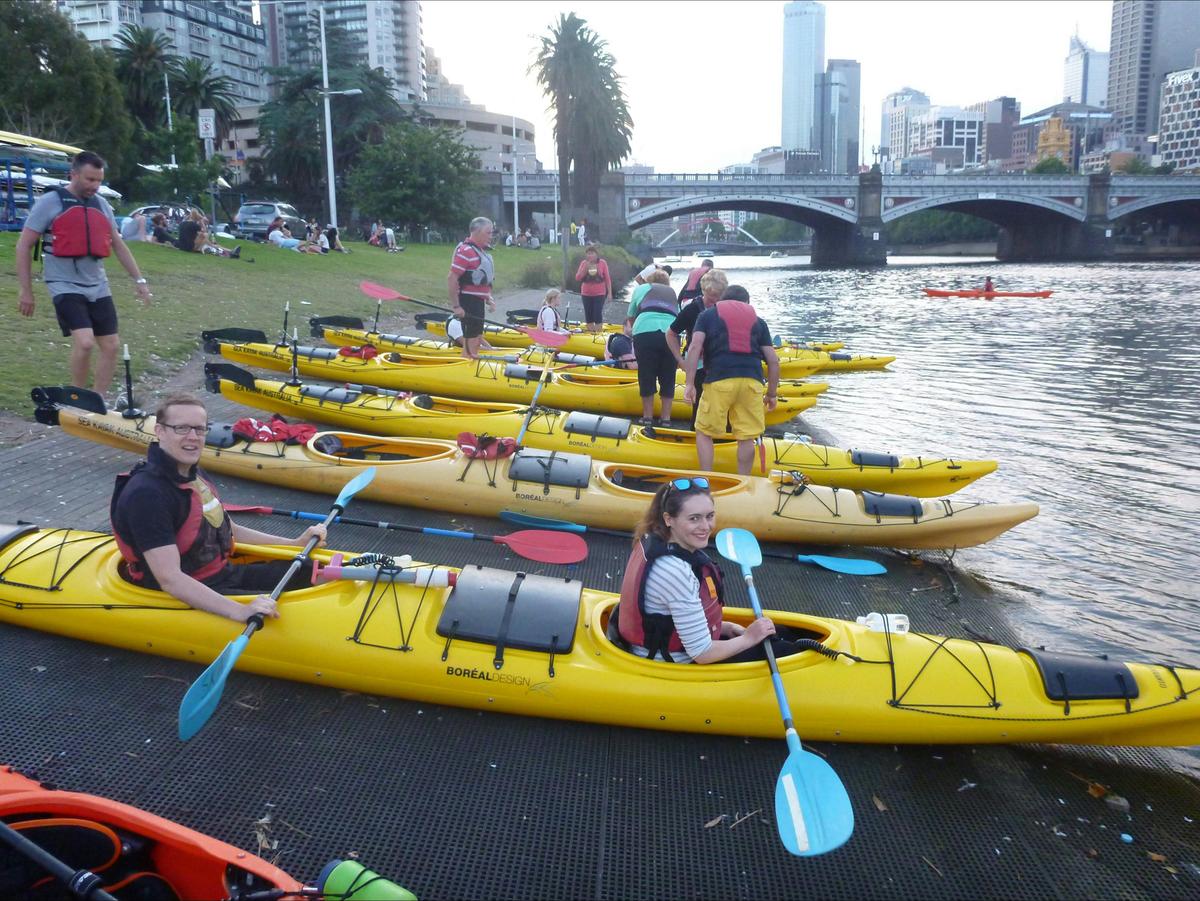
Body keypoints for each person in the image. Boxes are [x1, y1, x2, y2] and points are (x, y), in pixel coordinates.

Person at [110, 394, 327, 623]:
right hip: (180, 595)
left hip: (222, 575)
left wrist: (294, 544)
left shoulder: (192, 473)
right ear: (160, 431)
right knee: (289, 615)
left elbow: (228, 528)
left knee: (310, 570)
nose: (193, 437)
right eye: (181, 428)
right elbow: (170, 579)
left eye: (199, 429)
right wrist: (240, 611)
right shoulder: (147, 495)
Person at [16, 150, 153, 396]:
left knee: (111, 346)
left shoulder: (101, 205)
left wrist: (140, 280)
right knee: (86, 342)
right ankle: (78, 396)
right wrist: (26, 291)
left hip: (98, 284)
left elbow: (118, 245)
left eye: (99, 180)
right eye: (90, 179)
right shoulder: (49, 202)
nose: (95, 186)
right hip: (63, 283)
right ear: (74, 174)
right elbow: (24, 245)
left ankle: (97, 399)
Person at [613, 479, 787, 664]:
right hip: (675, 663)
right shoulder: (674, 571)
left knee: (782, 632)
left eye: (709, 516)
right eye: (694, 518)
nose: (705, 527)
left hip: (682, 647)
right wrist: (748, 639)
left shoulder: (657, 539)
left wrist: (725, 627)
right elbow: (702, 653)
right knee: (786, 650)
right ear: (668, 519)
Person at [683, 285, 780, 475]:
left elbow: (695, 348)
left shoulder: (707, 316)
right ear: (747, 303)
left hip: (719, 380)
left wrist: (689, 383)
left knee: (704, 432)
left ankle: (707, 478)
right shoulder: (759, 323)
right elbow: (773, 361)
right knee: (746, 437)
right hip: (752, 382)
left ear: (722, 300)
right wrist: (772, 393)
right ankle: (743, 481)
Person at [664, 267, 728, 429]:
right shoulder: (692, 309)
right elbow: (670, 334)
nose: (713, 300)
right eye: (710, 296)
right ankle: (696, 436)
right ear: (703, 291)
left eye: (717, 297)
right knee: (699, 406)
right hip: (697, 364)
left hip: (719, 364)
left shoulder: (726, 309)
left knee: (722, 406)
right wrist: (679, 359)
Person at [624, 269, 679, 425]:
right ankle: (666, 418)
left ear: (649, 280)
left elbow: (631, 314)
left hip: (645, 332)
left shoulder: (641, 289)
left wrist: (636, 331)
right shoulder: (672, 292)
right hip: (670, 334)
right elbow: (678, 315)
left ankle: (647, 417)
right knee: (668, 376)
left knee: (646, 374)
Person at [447, 216, 497, 359]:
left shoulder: (479, 252)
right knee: (470, 343)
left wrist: (488, 298)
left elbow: (481, 282)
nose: (491, 236)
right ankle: (465, 365)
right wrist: (456, 306)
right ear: (476, 231)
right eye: (488, 232)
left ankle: (470, 365)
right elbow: (452, 278)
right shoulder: (465, 251)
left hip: (477, 302)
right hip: (468, 301)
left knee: (476, 339)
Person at [574, 243, 612, 335]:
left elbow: (607, 278)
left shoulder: (602, 263)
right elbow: (578, 278)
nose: (590, 255)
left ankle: (598, 333)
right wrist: (585, 269)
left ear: (596, 254)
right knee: (589, 314)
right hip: (586, 293)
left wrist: (609, 293)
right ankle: (591, 333)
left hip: (599, 293)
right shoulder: (584, 263)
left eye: (592, 253)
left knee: (597, 313)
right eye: (588, 253)